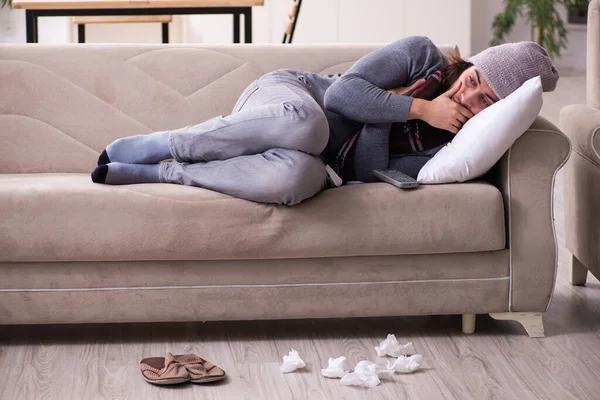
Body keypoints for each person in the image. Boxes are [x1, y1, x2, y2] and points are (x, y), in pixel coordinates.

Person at [91, 36, 559, 205]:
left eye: (485, 99)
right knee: (310, 126)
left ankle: (165, 173)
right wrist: (418, 107)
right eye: (474, 77)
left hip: (326, 167)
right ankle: (170, 142)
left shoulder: (453, 148)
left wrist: (381, 107)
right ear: (470, 64)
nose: (467, 93)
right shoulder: (422, 56)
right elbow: (339, 95)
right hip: (291, 100)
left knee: (297, 178)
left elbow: (371, 170)